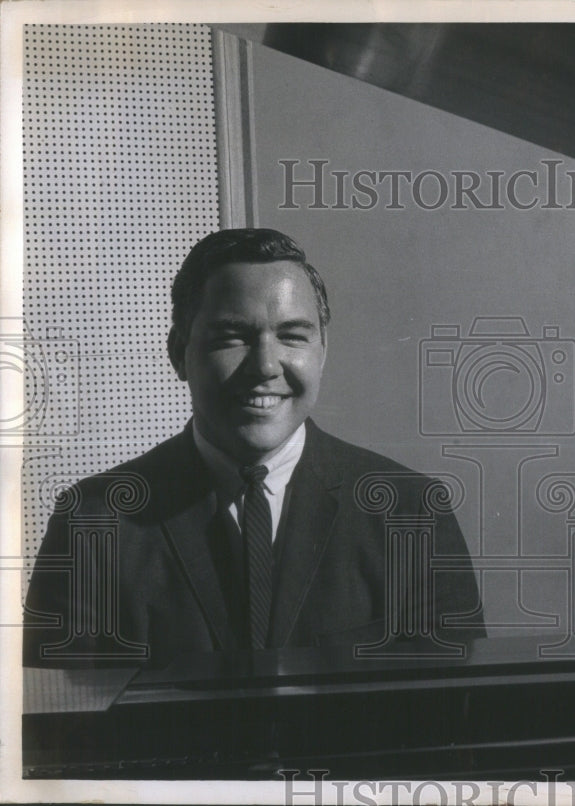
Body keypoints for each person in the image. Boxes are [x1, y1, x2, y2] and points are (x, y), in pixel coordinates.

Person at [23, 228, 485, 666]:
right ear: (178, 353)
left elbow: (454, 724)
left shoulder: (413, 514)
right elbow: (64, 734)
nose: (265, 365)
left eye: (291, 335)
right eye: (233, 337)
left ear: (322, 351)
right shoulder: (90, 524)